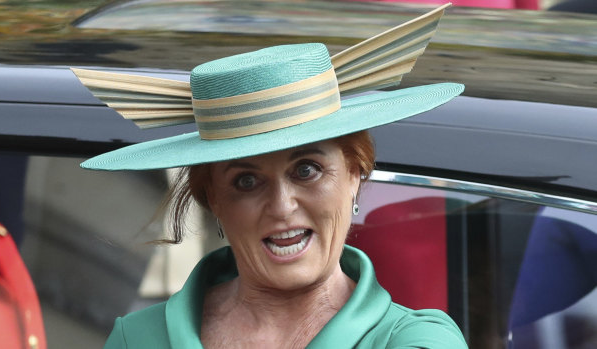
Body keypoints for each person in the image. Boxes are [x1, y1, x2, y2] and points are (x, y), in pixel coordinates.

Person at [73, 4, 468, 348]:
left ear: (355, 174)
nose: (282, 206)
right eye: (246, 181)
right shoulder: (140, 339)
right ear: (213, 200)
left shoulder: (414, 343)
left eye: (307, 170)